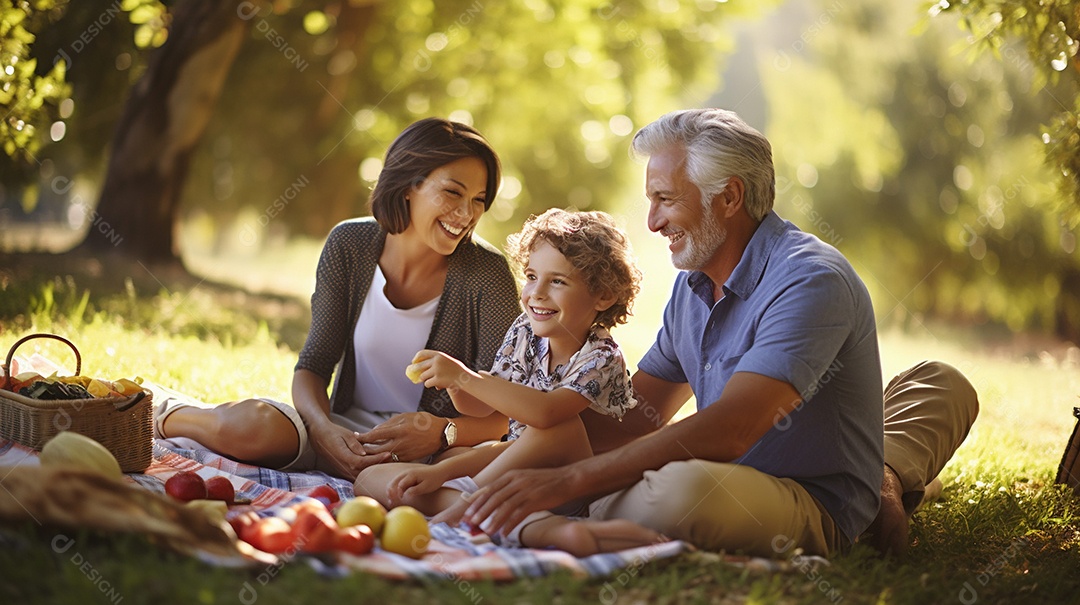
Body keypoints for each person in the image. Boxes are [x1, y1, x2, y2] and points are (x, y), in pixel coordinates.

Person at [451, 109, 979, 558]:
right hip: (729, 473)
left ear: (728, 197)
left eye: (664, 199)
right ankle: (886, 477)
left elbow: (732, 429)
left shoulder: (810, 279)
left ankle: (873, 487)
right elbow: (636, 414)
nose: (652, 222)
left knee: (680, 492)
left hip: (806, 497)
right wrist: (502, 449)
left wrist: (570, 479)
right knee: (641, 478)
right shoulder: (694, 286)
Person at [152, 118, 522, 479]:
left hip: (436, 448)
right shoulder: (350, 245)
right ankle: (164, 412)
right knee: (255, 426)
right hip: (343, 432)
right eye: (453, 192)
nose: (466, 213)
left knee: (468, 476)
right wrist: (323, 430)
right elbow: (313, 366)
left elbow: (508, 409)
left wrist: (443, 432)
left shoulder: (487, 275)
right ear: (409, 184)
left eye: (478, 200)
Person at [354, 208, 663, 556]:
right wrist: (457, 387)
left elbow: (545, 417)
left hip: (575, 483)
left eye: (557, 281)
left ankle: (466, 507)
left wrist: (465, 377)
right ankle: (539, 527)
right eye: (531, 276)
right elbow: (484, 409)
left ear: (603, 296)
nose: (536, 293)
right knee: (376, 480)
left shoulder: (601, 355)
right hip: (520, 468)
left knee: (561, 427)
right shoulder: (524, 331)